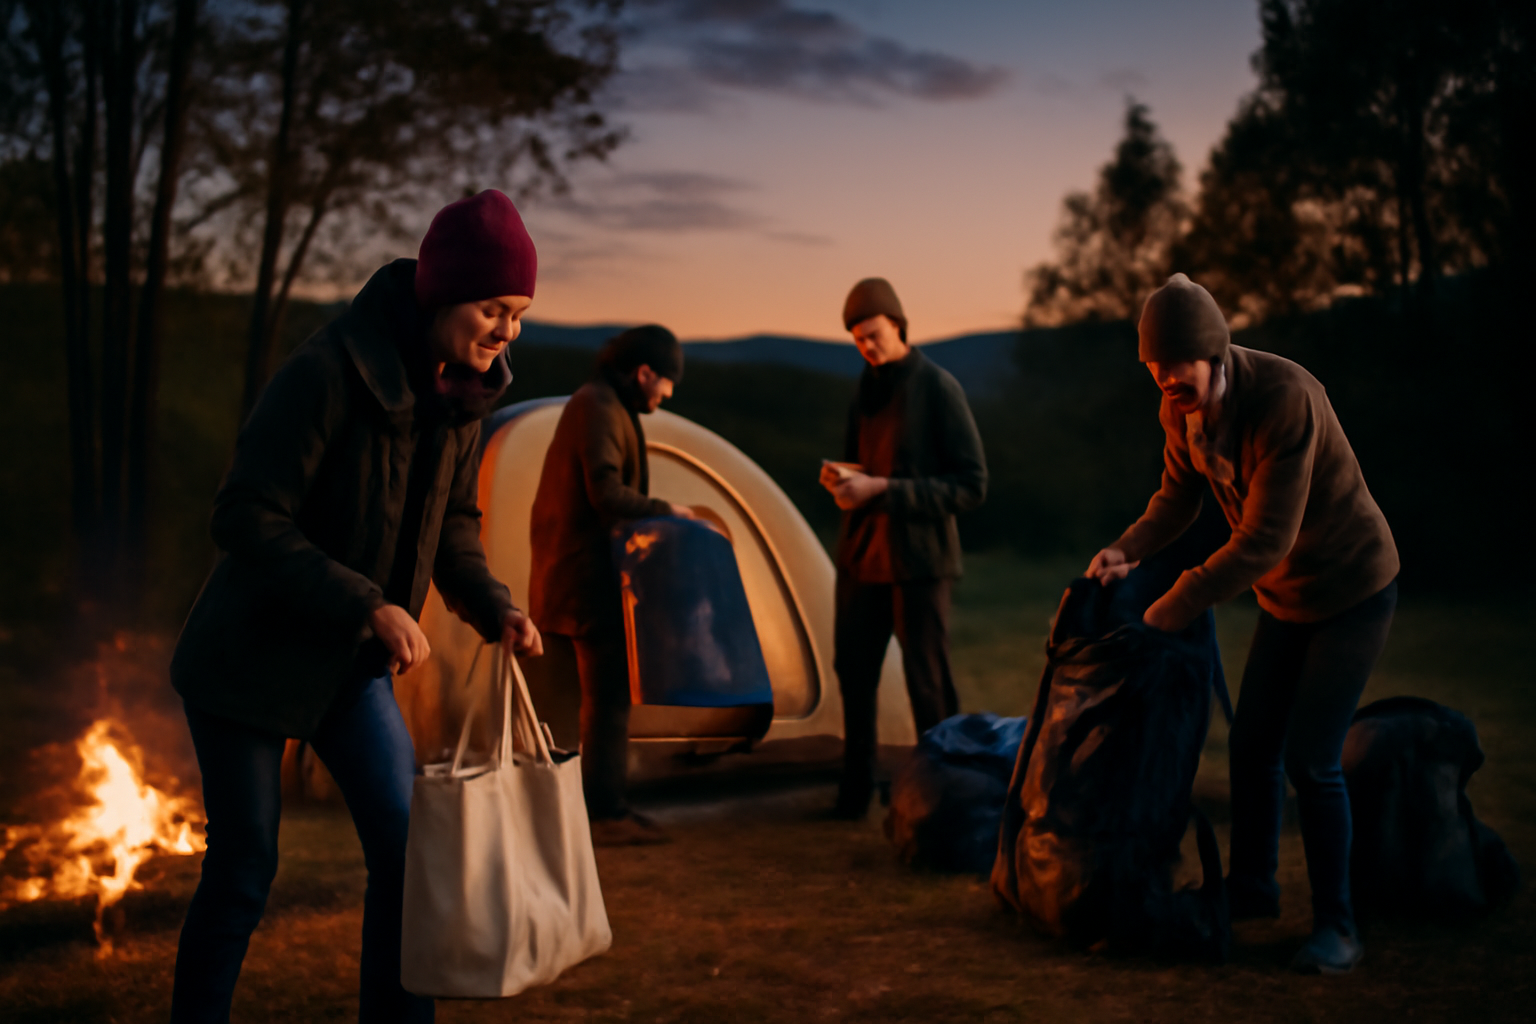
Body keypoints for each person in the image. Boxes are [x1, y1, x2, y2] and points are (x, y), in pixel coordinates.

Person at [167, 189, 544, 1023]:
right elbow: (243, 512)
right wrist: (366, 603)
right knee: (242, 871)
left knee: (409, 858)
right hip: (248, 659)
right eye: (493, 308)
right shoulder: (328, 369)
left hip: (347, 668)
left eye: (518, 314)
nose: (506, 332)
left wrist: (494, 607)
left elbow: (452, 523)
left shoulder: (463, 398)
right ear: (443, 292)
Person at [1085, 273, 1399, 975]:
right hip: (1286, 599)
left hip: (1352, 589)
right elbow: (1175, 500)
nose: (1166, 378)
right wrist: (1125, 551)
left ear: (1216, 352)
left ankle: (1338, 929)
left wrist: (1174, 604)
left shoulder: (1284, 401)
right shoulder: (1179, 409)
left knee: (1311, 761)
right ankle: (1255, 887)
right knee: (1253, 744)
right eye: (1155, 367)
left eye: (1178, 364)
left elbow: (1264, 542)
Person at [819, 277, 987, 819]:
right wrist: (848, 482)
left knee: (927, 682)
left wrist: (886, 490)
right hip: (862, 557)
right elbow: (862, 466)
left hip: (918, 563)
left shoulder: (938, 387)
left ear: (898, 325)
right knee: (856, 674)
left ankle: (946, 799)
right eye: (858, 341)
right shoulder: (865, 389)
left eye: (873, 335)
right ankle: (854, 796)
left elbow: (971, 483)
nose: (867, 347)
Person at [526, 325, 691, 846]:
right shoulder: (597, 407)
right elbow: (607, 494)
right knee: (608, 698)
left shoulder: (602, 403)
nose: (667, 394)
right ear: (644, 373)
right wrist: (671, 513)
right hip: (586, 580)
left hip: (583, 577)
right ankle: (604, 813)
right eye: (665, 382)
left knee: (602, 698)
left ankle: (601, 807)